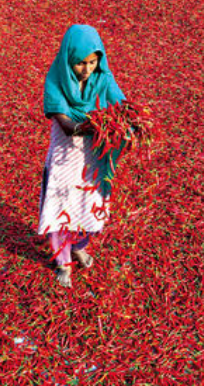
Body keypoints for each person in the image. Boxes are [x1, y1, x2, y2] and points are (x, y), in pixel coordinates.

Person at [37, 24, 126, 288]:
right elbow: (65, 123)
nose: (86, 69)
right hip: (65, 157)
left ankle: (78, 246)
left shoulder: (104, 78)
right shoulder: (56, 79)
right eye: (79, 63)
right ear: (68, 59)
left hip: (93, 156)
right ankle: (62, 259)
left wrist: (130, 125)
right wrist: (97, 126)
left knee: (90, 202)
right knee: (60, 204)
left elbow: (122, 107)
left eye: (92, 62)